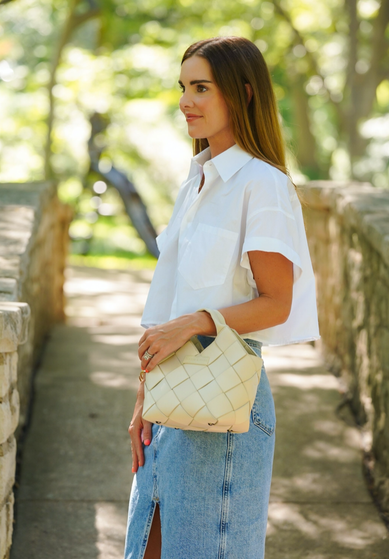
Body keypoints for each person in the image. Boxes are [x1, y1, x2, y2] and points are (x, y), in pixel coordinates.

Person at [125, 36, 320, 559]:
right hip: (171, 392)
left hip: (226, 399)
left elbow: (277, 301)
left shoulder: (263, 185)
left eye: (202, 87)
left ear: (243, 94)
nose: (186, 100)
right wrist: (146, 398)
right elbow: (168, 307)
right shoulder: (196, 182)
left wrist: (192, 324)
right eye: (183, 87)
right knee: (148, 547)